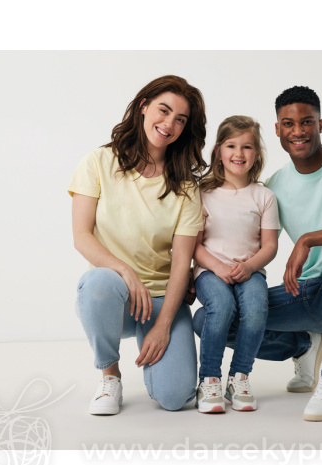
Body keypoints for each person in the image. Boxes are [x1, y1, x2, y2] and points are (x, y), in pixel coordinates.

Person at [193, 86, 322, 421]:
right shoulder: (272, 188)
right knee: (209, 319)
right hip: (307, 296)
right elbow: (242, 233)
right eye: (288, 123)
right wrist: (202, 271)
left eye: (307, 122)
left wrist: (308, 240)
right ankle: (303, 344)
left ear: (321, 124)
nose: (298, 131)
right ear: (277, 130)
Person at [69, 75, 207, 415]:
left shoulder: (186, 187)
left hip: (162, 299)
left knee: (175, 398)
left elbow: (181, 263)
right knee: (99, 282)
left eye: (180, 119)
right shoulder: (98, 162)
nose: (169, 124)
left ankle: (159, 351)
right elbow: (81, 236)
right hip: (114, 297)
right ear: (143, 106)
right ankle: (110, 375)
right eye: (164, 110)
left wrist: (163, 327)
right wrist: (125, 272)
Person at [193, 116, 279, 413]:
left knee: (256, 309)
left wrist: (251, 266)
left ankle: (239, 377)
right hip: (210, 270)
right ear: (218, 151)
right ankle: (209, 380)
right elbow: (194, 246)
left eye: (247, 147)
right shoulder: (203, 193)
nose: (238, 153)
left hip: (249, 271)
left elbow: (270, 246)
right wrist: (217, 268)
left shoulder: (264, 196)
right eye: (231, 146)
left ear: (257, 154)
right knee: (222, 306)